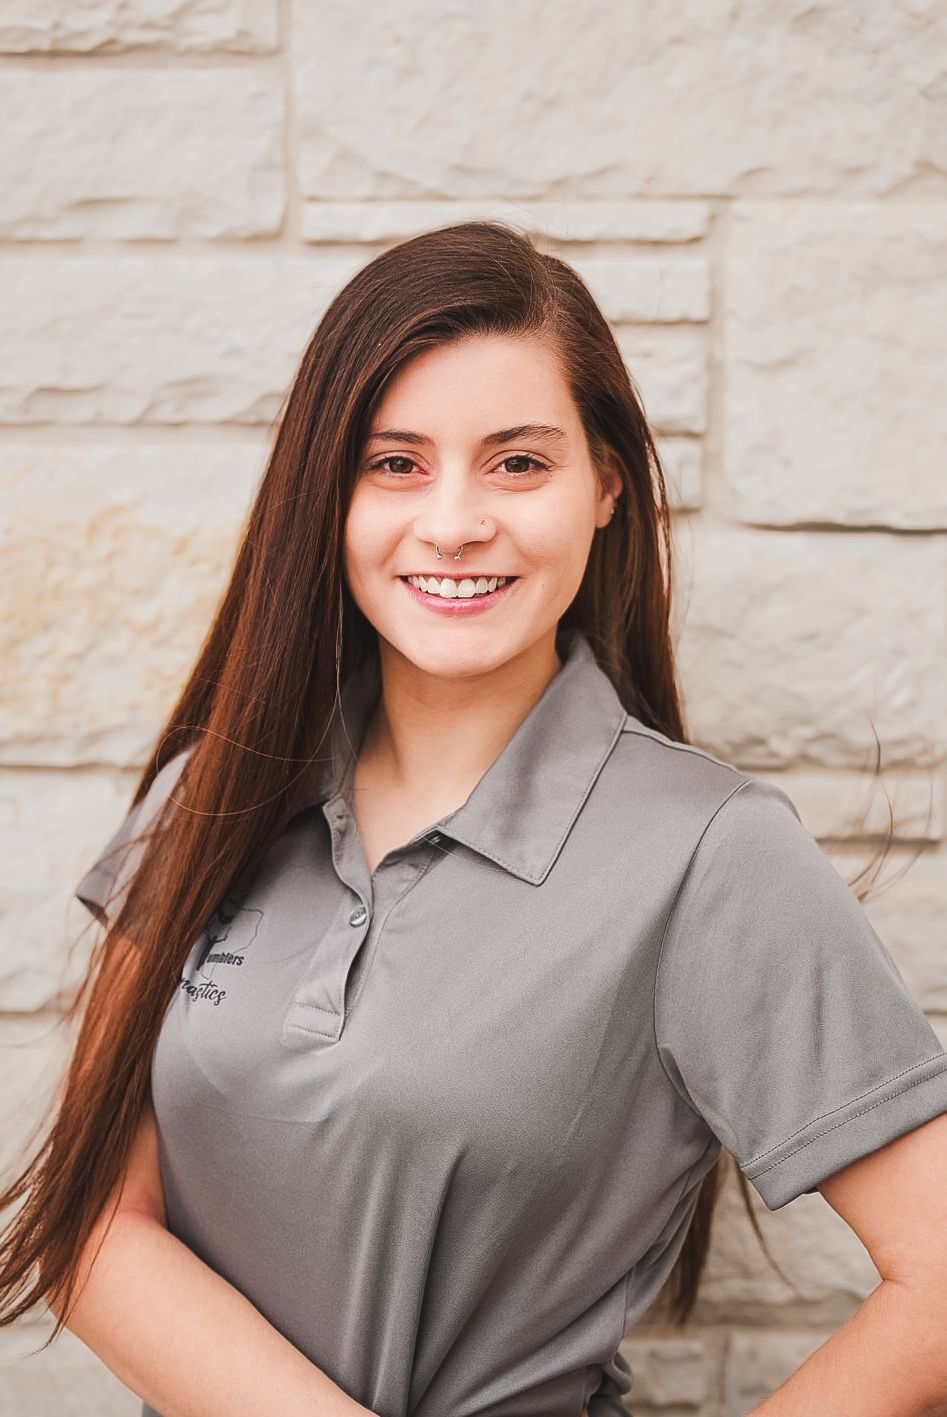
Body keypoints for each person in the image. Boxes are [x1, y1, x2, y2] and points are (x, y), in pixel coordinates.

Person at [2, 220, 947, 1417]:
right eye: (395, 463)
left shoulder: (710, 853)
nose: (452, 521)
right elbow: (91, 1216)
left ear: (606, 484)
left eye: (516, 462)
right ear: (326, 495)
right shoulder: (214, 789)